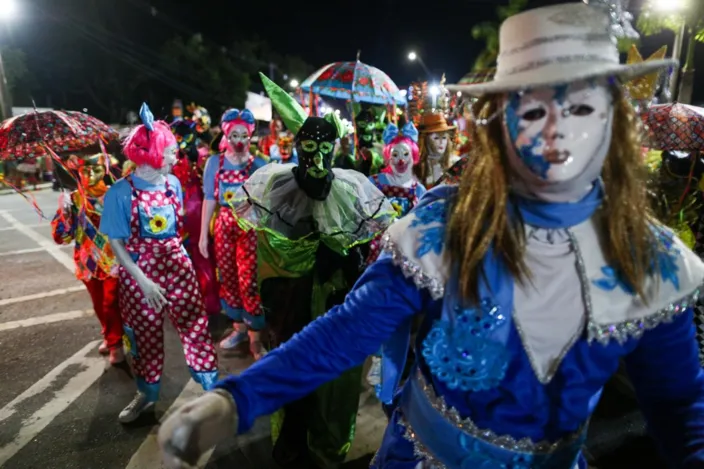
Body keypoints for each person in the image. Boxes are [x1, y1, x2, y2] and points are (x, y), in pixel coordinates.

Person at [158, 4, 704, 469]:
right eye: (533, 109)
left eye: (582, 106)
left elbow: (681, 411)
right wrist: (237, 400)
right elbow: (349, 329)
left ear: (614, 121)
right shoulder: (444, 227)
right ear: (500, 124)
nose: (557, 132)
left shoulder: (650, 260)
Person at [197, 72, 392, 469]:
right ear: (299, 146)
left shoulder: (351, 189)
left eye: (325, 148)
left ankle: (327, 449)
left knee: (334, 386)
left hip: (337, 309)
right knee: (295, 379)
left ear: (334, 148)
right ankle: (292, 449)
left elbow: (362, 252)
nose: (317, 158)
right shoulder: (278, 190)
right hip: (293, 307)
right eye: (309, 147)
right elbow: (269, 260)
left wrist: (343, 263)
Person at [101, 103, 218, 423]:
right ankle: (147, 394)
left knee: (195, 324)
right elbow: (115, 242)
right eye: (168, 152)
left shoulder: (173, 184)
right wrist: (143, 281)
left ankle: (211, 385)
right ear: (150, 153)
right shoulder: (119, 193)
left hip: (178, 265)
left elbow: (176, 228)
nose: (174, 158)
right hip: (140, 273)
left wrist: (176, 262)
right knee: (144, 335)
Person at [200, 109, 267, 357]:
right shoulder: (214, 163)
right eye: (234, 134)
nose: (239, 140)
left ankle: (255, 336)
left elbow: (266, 201)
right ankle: (238, 327)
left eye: (244, 135)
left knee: (249, 280)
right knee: (228, 278)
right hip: (224, 224)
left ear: (249, 137)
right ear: (226, 135)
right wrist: (202, 236)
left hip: (249, 226)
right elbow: (209, 198)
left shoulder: (258, 164)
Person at [51, 151, 124, 365]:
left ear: (105, 170)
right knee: (100, 304)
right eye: (85, 170)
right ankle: (109, 335)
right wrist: (64, 214)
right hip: (87, 262)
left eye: (96, 169)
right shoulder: (73, 199)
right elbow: (62, 237)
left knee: (112, 302)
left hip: (114, 259)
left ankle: (116, 343)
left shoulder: (115, 194)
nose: (90, 174)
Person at [170, 119, 220, 315]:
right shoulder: (169, 159)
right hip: (176, 212)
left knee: (203, 256)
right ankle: (186, 304)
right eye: (177, 136)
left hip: (197, 210)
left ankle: (208, 303)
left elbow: (209, 188)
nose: (180, 140)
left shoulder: (203, 157)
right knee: (180, 260)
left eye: (183, 136)